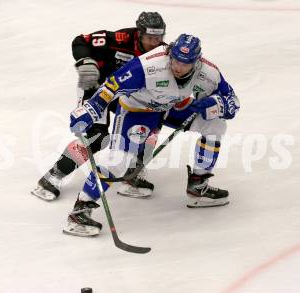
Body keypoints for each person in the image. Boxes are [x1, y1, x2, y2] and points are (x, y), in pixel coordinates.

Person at [65, 33, 240, 236]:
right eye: (175, 60)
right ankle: (80, 210)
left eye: (185, 63)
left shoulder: (208, 73)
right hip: (138, 110)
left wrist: (216, 105)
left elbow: (233, 102)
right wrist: (89, 110)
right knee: (119, 161)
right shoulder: (149, 65)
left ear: (196, 62)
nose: (178, 67)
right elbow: (111, 86)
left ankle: (198, 187)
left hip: (172, 106)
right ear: (169, 54)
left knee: (216, 126)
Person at [31, 12, 167, 201]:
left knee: (139, 134)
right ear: (139, 33)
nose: (155, 42)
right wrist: (85, 62)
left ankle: (129, 176)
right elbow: (80, 41)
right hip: (98, 91)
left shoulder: (163, 53)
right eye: (150, 37)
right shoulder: (118, 40)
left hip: (130, 98)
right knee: (96, 136)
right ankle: (53, 176)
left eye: (159, 37)